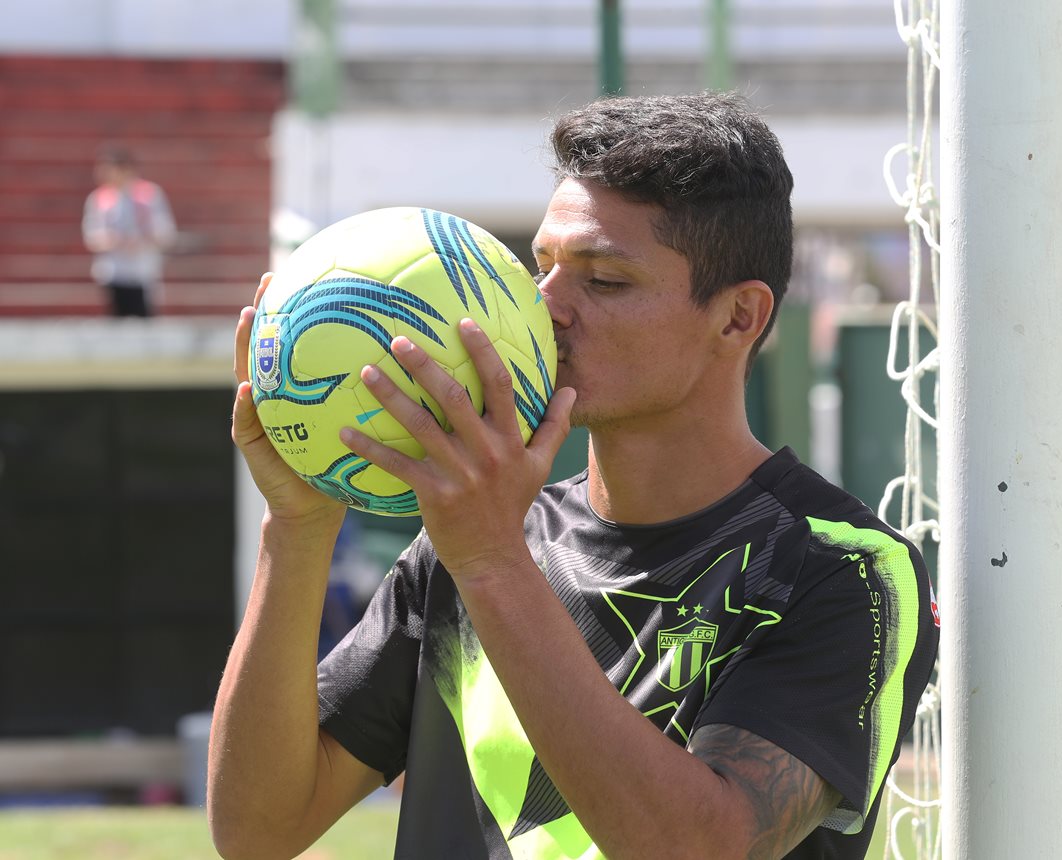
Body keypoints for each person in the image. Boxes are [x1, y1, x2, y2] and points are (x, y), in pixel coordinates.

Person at [209, 92, 939, 860]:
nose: (544, 305)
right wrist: (298, 529)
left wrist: (491, 563)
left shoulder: (841, 569)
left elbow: (697, 848)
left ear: (738, 318)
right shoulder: (467, 543)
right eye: (543, 266)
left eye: (604, 281)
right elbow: (257, 831)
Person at [81, 145, 176, 317]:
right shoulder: (99, 198)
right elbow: (92, 236)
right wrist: (114, 241)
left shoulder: (149, 194)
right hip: (113, 271)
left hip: (142, 270)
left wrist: (142, 239)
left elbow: (165, 231)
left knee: (143, 320)